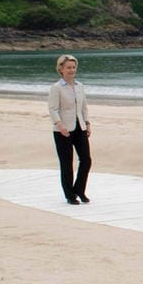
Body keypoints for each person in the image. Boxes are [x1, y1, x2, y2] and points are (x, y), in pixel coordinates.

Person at [48, 54, 92, 205]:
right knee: (67, 163)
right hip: (63, 130)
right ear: (61, 69)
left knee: (86, 160)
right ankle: (69, 195)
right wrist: (60, 126)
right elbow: (53, 110)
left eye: (73, 67)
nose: (71, 70)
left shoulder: (80, 86)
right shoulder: (56, 88)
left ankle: (79, 189)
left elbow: (84, 107)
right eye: (68, 67)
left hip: (79, 127)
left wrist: (87, 123)